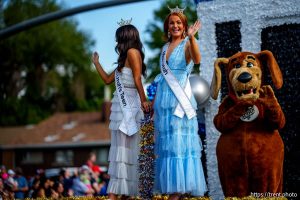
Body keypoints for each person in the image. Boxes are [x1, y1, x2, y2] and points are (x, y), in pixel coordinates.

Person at [153, 6, 207, 199]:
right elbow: (162, 75)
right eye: (171, 23)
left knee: (180, 146)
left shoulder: (187, 43)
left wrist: (192, 37)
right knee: (168, 147)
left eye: (179, 23)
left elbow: (198, 59)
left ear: (184, 26)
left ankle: (176, 193)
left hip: (180, 102)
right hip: (164, 100)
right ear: (167, 26)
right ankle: (178, 193)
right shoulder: (164, 48)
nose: (175, 26)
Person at [92, 22, 151, 200]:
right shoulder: (122, 60)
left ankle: (118, 194)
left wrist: (144, 101)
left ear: (126, 38)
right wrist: (96, 63)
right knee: (120, 150)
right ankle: (120, 193)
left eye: (119, 38)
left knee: (127, 150)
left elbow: (137, 79)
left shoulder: (133, 53)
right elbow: (107, 80)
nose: (116, 41)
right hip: (119, 107)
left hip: (130, 107)